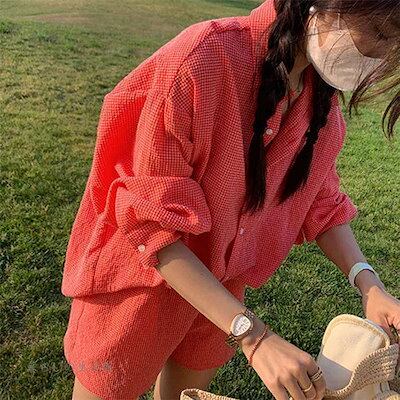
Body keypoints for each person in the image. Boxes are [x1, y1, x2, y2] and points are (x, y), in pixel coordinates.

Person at [61, 0, 400, 399]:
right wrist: (253, 336)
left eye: (393, 43)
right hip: (136, 287)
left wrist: (368, 283)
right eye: (379, 33)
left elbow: (321, 201)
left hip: (222, 298)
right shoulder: (202, 61)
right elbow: (152, 225)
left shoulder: (319, 104)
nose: (380, 55)